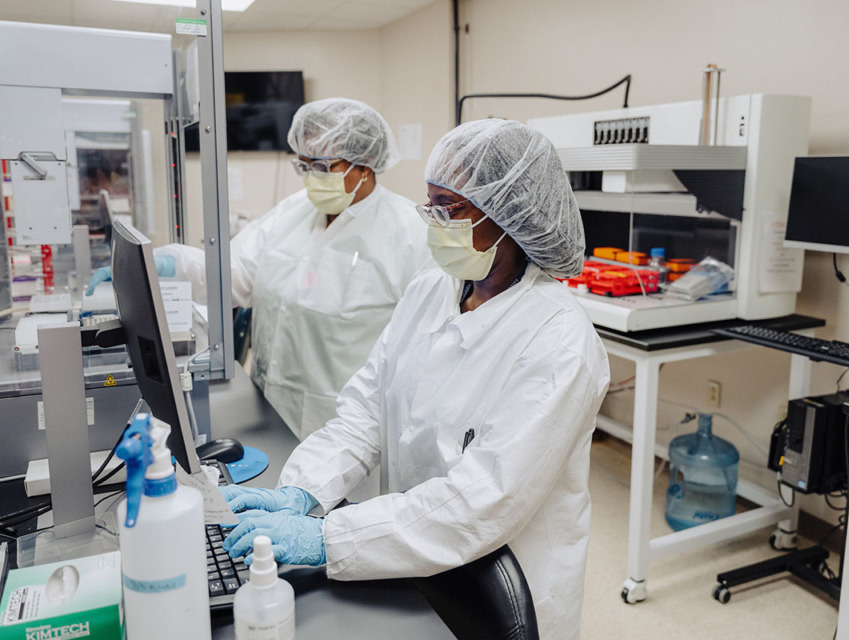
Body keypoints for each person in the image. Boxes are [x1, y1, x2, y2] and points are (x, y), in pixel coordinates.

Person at [219, 119, 610, 640]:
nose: (434, 223)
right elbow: (364, 412)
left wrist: (327, 537)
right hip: (409, 564)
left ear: (513, 217)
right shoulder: (432, 290)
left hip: (507, 594)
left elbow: (481, 500)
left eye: (452, 210)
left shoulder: (558, 341)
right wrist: (302, 491)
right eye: (431, 207)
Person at [89, 98, 433, 443]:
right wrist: (163, 265)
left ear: (366, 164)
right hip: (272, 402)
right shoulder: (294, 212)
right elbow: (234, 274)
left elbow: (424, 341)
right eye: (305, 165)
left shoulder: (408, 232)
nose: (312, 177)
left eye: (324, 167)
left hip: (347, 421)